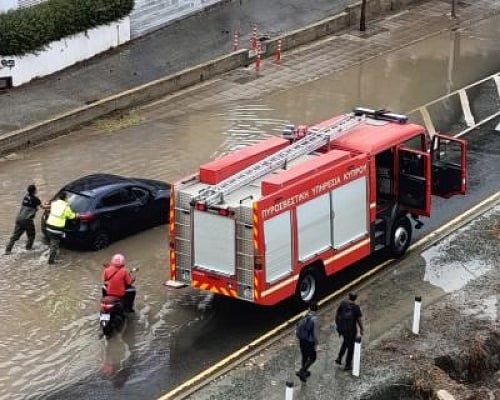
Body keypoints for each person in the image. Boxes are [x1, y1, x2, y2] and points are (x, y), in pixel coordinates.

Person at [5, 184, 48, 255]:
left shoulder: (25, 197)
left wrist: (35, 208)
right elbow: (43, 207)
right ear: (34, 191)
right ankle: (28, 248)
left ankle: (8, 250)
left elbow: (30, 206)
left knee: (15, 236)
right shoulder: (36, 199)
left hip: (19, 218)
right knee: (31, 235)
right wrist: (52, 205)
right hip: (27, 220)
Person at [45, 191, 78, 264]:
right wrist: (77, 215)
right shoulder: (66, 207)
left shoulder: (54, 203)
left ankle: (51, 253)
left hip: (48, 227)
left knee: (53, 243)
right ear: (65, 198)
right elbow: (71, 216)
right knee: (54, 244)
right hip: (56, 230)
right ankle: (51, 261)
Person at [335, 292, 364, 371]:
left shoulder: (343, 303)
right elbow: (359, 320)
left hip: (343, 329)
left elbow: (337, 314)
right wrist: (361, 329)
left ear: (349, 297)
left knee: (345, 342)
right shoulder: (356, 308)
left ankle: (339, 357)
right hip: (351, 330)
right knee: (351, 347)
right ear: (356, 298)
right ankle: (348, 364)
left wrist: (338, 326)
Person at [295, 301, 319, 382]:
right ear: (316, 310)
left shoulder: (304, 316)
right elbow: (315, 334)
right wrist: (317, 344)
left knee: (304, 356)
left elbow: (298, 326)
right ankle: (302, 371)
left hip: (302, 340)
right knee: (313, 357)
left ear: (309, 308)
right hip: (309, 341)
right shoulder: (314, 319)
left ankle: (303, 373)